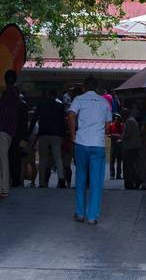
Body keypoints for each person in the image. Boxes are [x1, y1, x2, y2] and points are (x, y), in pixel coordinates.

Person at [68, 75, 112, 224]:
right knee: (96, 182)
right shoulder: (104, 102)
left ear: (84, 87)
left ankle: (80, 213)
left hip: (81, 143)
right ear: (97, 87)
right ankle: (92, 216)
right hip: (98, 145)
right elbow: (107, 126)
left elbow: (71, 115)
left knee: (80, 178)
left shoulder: (78, 100)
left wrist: (73, 134)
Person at [0, 70, 20, 198]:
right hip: (6, 130)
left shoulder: (8, 94)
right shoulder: (14, 95)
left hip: (2, 129)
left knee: (0, 158)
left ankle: (2, 188)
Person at [31, 91, 68, 188]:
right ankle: (61, 179)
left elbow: (34, 118)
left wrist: (28, 132)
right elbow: (62, 122)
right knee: (58, 158)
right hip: (56, 135)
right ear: (55, 96)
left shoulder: (41, 105)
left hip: (43, 133)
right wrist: (63, 134)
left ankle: (42, 182)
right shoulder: (60, 106)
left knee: (43, 159)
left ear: (46, 95)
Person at [121, 109, 143, 190]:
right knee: (132, 165)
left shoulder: (129, 121)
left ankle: (131, 182)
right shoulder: (132, 120)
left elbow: (127, 134)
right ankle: (135, 180)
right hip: (133, 146)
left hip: (130, 147)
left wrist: (120, 138)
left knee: (128, 166)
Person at [108, 113, 124, 180]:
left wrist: (119, 136)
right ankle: (112, 174)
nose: (116, 120)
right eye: (115, 119)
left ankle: (118, 174)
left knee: (119, 160)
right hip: (113, 144)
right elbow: (108, 134)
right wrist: (114, 135)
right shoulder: (111, 126)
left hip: (119, 145)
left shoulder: (122, 126)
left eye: (117, 119)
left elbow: (123, 134)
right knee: (112, 160)